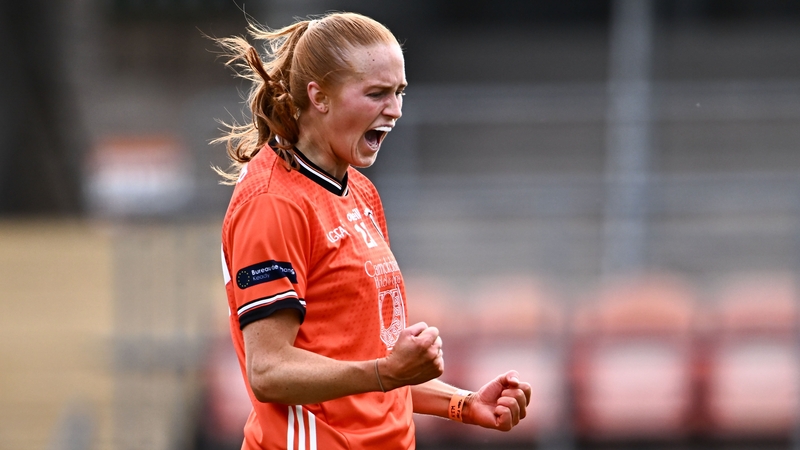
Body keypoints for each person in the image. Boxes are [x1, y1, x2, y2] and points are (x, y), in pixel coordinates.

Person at [216, 12, 532, 449]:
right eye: (377, 93)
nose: (397, 110)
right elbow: (269, 371)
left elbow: (365, 366)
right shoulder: (274, 202)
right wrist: (387, 372)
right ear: (319, 96)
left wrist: (463, 403)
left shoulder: (359, 191)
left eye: (400, 93)